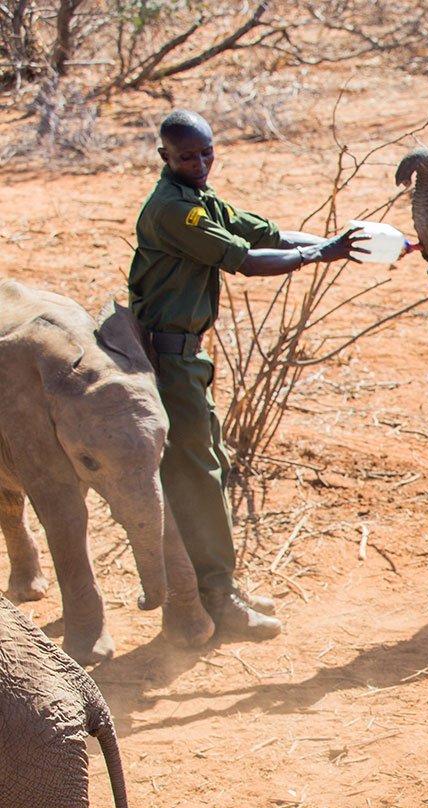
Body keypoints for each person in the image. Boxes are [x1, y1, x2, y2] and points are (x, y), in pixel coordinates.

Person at [129, 110, 373, 640]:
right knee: (197, 474)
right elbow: (242, 258)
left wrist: (338, 245)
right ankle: (215, 595)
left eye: (206, 152)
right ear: (164, 157)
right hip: (170, 360)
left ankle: (218, 586)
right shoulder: (174, 210)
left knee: (207, 464)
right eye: (187, 156)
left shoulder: (198, 198)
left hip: (185, 357)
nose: (199, 163)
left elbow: (265, 234)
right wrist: (319, 254)